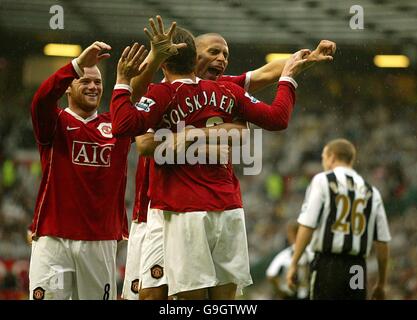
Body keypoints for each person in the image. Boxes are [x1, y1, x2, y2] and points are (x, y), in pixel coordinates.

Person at [123, 17, 336, 300]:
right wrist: (215, 133)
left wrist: (305, 59)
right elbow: (143, 139)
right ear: (190, 54)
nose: (222, 59)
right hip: (154, 209)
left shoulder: (222, 89)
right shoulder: (158, 91)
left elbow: (263, 74)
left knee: (199, 293)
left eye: (225, 54)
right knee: (151, 295)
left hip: (195, 206)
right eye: (214, 52)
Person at [29, 41, 148, 300]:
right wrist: (76, 64)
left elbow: (135, 97)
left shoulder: (115, 127)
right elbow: (41, 99)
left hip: (100, 240)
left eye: (98, 82)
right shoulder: (55, 122)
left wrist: (128, 76)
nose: (93, 86)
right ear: (68, 87)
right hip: (53, 237)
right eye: (85, 80)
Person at [286, 139, 391, 300]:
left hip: (328, 263)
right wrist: (381, 283)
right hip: (357, 267)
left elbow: (307, 224)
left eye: (323, 157)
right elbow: (382, 242)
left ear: (331, 157)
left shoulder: (323, 180)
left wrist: (294, 263)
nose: (323, 162)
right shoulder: (372, 191)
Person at [266, 221, 313, 300]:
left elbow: (271, 275)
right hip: (310, 293)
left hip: (291, 294)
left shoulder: (284, 255)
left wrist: (281, 291)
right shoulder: (312, 252)